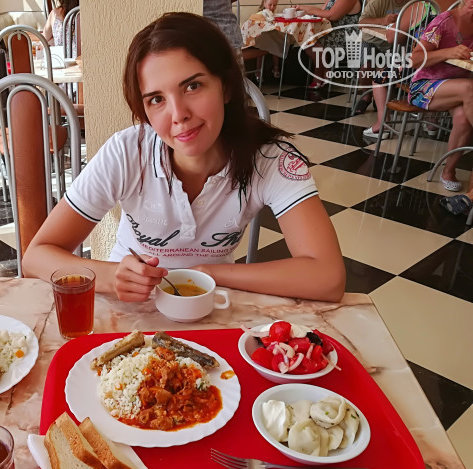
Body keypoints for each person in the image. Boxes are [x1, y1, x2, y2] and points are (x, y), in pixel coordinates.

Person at [22, 12, 345, 303]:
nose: (179, 115)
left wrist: (208, 273)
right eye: (156, 99)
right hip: (130, 309)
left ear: (226, 87)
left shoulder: (270, 159)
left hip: (212, 305)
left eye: (193, 86)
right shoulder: (126, 152)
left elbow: (327, 277)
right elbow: (36, 257)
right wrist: (111, 276)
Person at [408, 0, 473, 191]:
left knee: (463, 118)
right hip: (424, 87)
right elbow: (414, 59)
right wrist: (449, 52)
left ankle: (448, 171)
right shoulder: (444, 21)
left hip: (458, 90)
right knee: (470, 88)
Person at [363, 1, 442, 139]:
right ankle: (432, 122)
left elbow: (391, 38)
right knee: (437, 73)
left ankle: (382, 124)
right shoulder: (458, 8)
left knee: (379, 79)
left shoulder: (419, 6)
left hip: (416, 70)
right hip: (447, 71)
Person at [294, 0, 362, 88]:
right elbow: (322, 11)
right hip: (332, 31)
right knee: (306, 37)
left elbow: (332, 16)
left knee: (310, 41)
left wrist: (307, 9)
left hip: (347, 35)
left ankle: (319, 74)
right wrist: (302, 9)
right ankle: (326, 70)